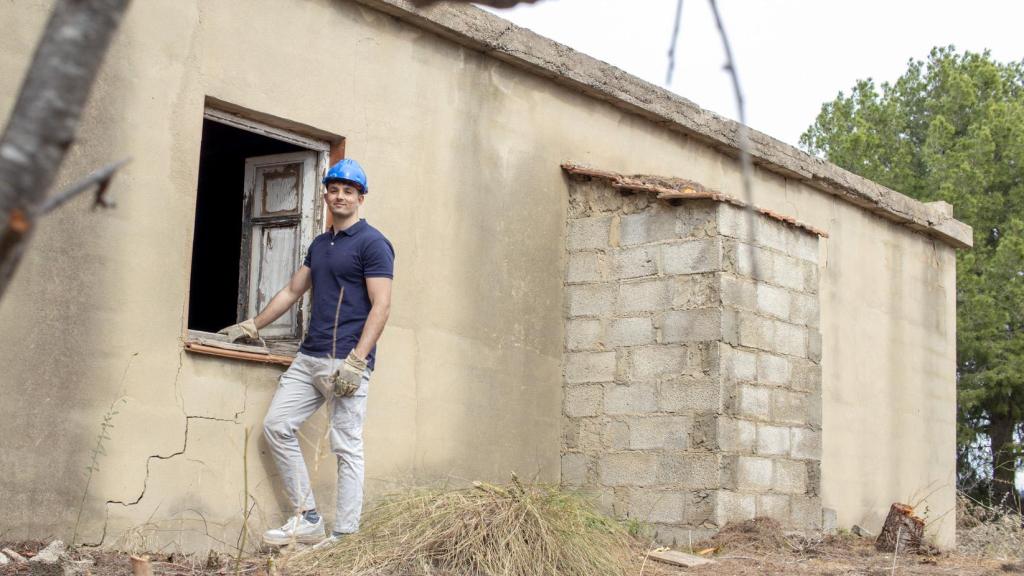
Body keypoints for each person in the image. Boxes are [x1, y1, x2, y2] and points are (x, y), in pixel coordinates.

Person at [219, 158, 394, 546]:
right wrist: (252, 325)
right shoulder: (320, 243)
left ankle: (346, 533)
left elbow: (381, 306)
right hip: (310, 355)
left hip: (345, 361)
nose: (340, 195)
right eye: (334, 189)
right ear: (326, 195)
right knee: (277, 426)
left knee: (346, 446)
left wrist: (356, 361)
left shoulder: (373, 244)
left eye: (349, 190)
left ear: (361, 198)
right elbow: (292, 291)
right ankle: (307, 517)